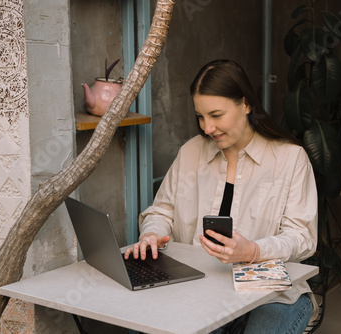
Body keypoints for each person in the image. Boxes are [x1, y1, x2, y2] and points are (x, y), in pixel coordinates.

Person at [125, 59, 318, 333]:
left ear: (246, 105)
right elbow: (161, 211)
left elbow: (303, 237)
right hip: (200, 289)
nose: (207, 128)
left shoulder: (290, 158)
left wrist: (253, 250)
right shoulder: (191, 152)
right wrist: (152, 235)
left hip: (273, 294)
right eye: (200, 116)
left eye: (216, 115)